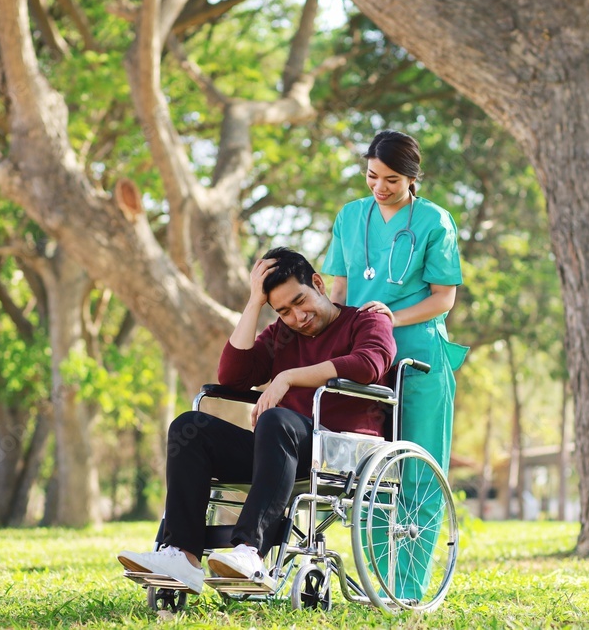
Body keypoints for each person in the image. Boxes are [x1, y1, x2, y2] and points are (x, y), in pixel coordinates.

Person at [118, 247, 396, 594]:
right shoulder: (282, 333)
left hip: (339, 448)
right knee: (190, 428)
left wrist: (289, 377)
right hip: (277, 449)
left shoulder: (366, 320)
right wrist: (253, 303)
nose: (298, 317)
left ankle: (250, 551)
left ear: (318, 283)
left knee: (276, 419)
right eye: (284, 311)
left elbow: (369, 364)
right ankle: (182, 556)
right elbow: (232, 376)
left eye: (300, 301)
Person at [323, 129, 468, 599]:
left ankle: (406, 589)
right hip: (365, 359)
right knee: (370, 476)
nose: (379, 187)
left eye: (391, 179)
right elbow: (338, 293)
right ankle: (377, 583)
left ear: (411, 178)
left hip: (420, 359)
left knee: (418, 473)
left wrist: (393, 315)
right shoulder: (350, 217)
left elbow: (443, 298)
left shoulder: (434, 220)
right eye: (372, 176)